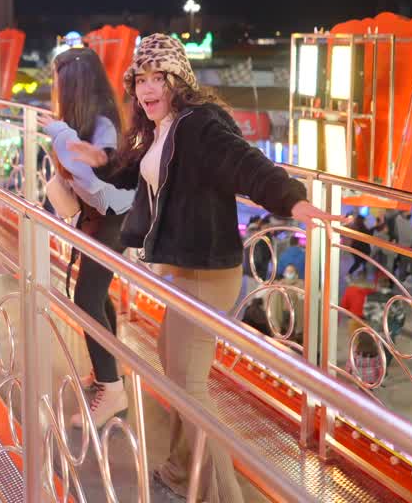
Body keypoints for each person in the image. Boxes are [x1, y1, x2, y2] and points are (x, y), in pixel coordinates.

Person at [71, 34, 339, 503]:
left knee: (191, 387)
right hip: (181, 271)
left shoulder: (199, 126)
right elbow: (137, 170)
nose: (148, 89)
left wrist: (292, 200)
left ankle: (224, 496)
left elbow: (246, 163)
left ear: (179, 82)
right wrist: (103, 160)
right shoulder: (162, 128)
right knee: (175, 372)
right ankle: (180, 473)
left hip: (207, 274)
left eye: (159, 78)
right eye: (141, 80)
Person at [39, 47, 135, 429]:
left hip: (115, 218)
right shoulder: (87, 120)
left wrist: (64, 138)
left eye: (60, 82)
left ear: (74, 84)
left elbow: (98, 177)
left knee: (87, 297)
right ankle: (107, 371)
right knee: (95, 294)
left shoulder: (103, 124)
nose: (56, 89)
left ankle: (111, 389)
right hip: (104, 217)